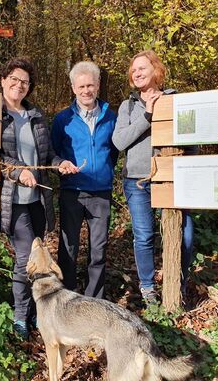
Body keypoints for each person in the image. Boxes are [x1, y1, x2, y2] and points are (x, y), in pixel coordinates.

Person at [0, 57, 76, 339]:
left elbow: (47, 154)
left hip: (38, 200)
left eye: (25, 82)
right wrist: (19, 173)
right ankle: (20, 316)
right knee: (24, 260)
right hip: (13, 199)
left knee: (40, 257)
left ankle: (33, 312)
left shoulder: (36, 115)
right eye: (14, 79)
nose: (19, 85)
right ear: (3, 80)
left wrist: (60, 163)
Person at [112, 50, 195, 306]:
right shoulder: (128, 106)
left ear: (156, 71)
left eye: (142, 68)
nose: (136, 73)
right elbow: (119, 141)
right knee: (144, 235)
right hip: (138, 181)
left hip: (172, 178)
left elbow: (191, 139)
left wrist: (188, 168)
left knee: (187, 235)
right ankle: (147, 287)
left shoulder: (175, 100)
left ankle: (178, 281)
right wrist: (147, 115)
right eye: (133, 70)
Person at [51, 61, 118, 300]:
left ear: (98, 85)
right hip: (72, 192)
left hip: (101, 193)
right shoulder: (62, 120)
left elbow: (114, 150)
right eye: (81, 86)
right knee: (68, 248)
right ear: (73, 88)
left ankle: (93, 301)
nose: (86, 90)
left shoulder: (111, 117)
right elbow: (53, 152)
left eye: (90, 85)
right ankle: (67, 297)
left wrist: (105, 170)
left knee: (98, 250)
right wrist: (61, 164)